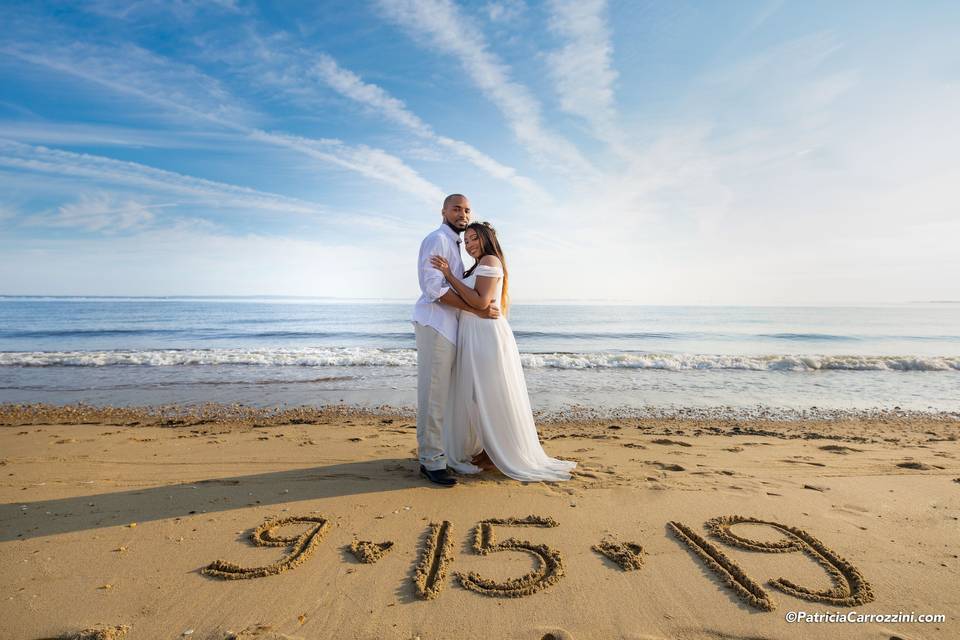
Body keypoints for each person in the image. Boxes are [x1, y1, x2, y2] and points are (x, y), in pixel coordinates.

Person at [430, 222, 576, 482]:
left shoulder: (490, 260)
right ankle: (489, 448)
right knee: (478, 395)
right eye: (466, 241)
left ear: (486, 239)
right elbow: (476, 301)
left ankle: (495, 451)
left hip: (485, 336)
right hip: (474, 333)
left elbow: (480, 301)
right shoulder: (477, 265)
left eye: (474, 238)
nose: (470, 244)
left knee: (489, 393)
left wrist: (449, 275)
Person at [412, 194, 500, 486]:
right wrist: (476, 308)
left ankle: (439, 452)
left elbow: (465, 288)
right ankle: (431, 461)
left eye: (466, 210)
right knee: (434, 393)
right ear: (443, 212)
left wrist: (479, 305)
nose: (462, 214)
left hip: (450, 329)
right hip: (436, 325)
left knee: (445, 395)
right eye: (456, 209)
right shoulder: (437, 239)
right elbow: (433, 290)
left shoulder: (456, 245)